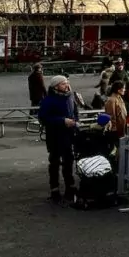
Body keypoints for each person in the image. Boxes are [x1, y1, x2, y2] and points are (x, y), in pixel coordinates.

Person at [38, 75, 79, 203]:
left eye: (67, 83)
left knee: (68, 162)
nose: (66, 85)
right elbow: (43, 118)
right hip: (55, 136)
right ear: (56, 86)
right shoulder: (48, 100)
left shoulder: (70, 97)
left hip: (68, 135)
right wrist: (62, 121)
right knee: (54, 163)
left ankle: (70, 187)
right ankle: (54, 189)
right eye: (63, 84)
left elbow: (75, 112)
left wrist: (75, 122)